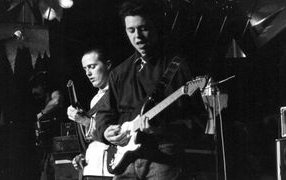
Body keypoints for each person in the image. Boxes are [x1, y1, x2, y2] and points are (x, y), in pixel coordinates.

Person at [95, 0, 207, 179]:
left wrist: (164, 129)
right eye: (131, 30)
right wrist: (106, 131)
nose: (137, 36)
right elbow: (104, 115)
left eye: (144, 28)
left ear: (156, 27)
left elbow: (199, 122)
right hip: (125, 162)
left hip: (164, 159)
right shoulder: (119, 73)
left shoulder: (178, 67)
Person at [67, 49, 113, 180]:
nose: (88, 73)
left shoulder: (120, 94)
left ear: (108, 65)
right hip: (93, 169)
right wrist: (83, 156)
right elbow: (94, 138)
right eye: (85, 69)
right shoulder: (95, 100)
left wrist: (85, 121)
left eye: (92, 67)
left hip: (113, 168)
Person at [30, 71, 64, 180]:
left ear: (44, 85)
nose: (33, 91)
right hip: (46, 147)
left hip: (59, 145)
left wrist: (41, 114)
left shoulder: (55, 93)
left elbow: (57, 101)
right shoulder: (39, 101)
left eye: (36, 87)